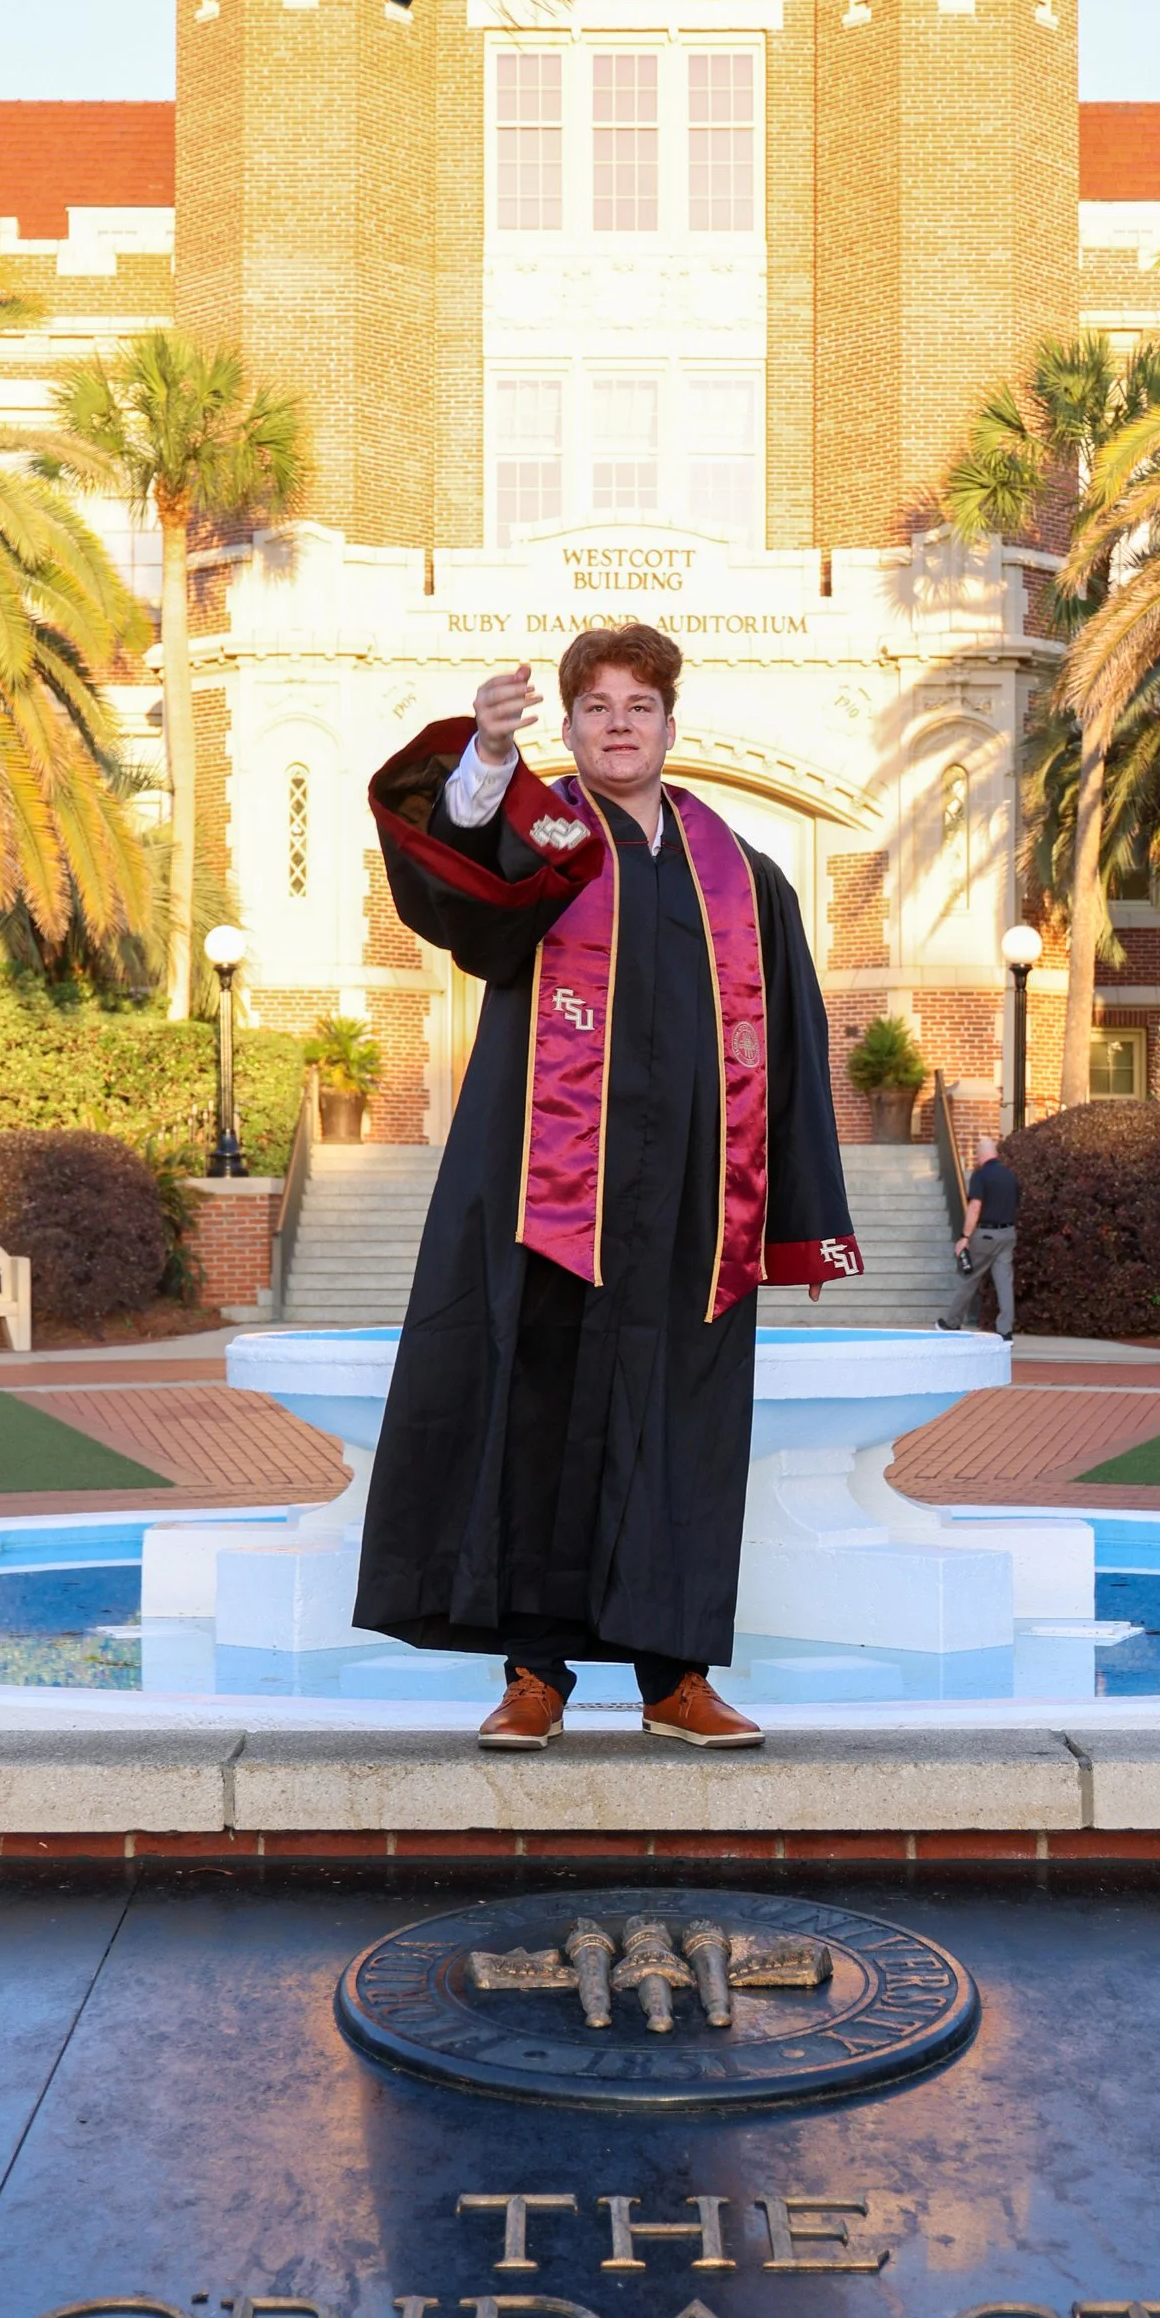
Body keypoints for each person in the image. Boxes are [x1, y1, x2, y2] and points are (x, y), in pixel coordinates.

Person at [355, 628, 861, 1750]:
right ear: (572, 727)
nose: (619, 724)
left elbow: (789, 1047)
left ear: (672, 726)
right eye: (597, 707)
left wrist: (803, 1222)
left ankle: (674, 1678)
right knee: (537, 1418)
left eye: (639, 706)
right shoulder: (543, 843)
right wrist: (487, 760)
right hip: (545, 1189)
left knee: (681, 1427)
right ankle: (534, 1675)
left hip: (694, 1203)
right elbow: (456, 895)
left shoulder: (746, 875)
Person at [938, 1148, 1020, 1341]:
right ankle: (1005, 1331)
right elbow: (1016, 1203)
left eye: (977, 1154)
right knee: (1004, 1283)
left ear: (982, 1155)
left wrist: (965, 1236)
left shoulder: (981, 1175)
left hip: (985, 1235)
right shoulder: (1010, 1176)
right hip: (1008, 1234)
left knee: (969, 1277)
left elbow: (975, 1207)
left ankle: (952, 1322)